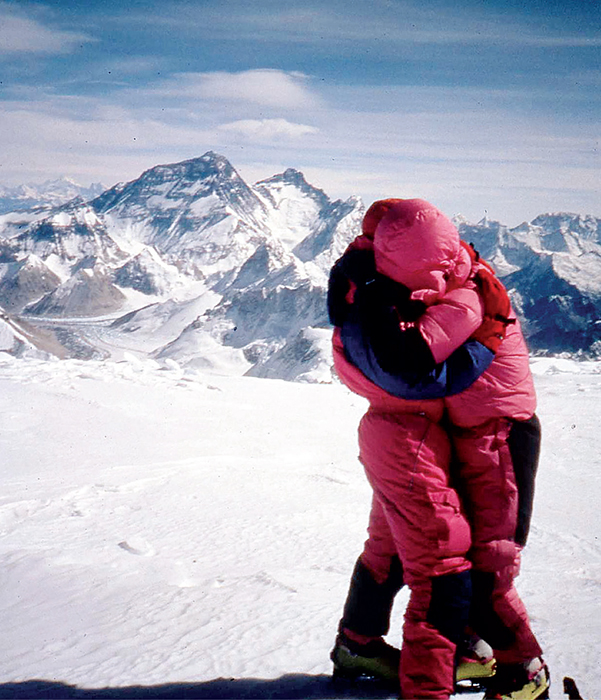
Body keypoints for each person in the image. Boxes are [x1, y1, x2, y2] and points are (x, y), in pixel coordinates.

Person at [328, 198, 549, 700]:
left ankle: (370, 645)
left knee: (433, 554)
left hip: (490, 435)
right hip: (435, 433)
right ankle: (519, 671)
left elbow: (412, 369)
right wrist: (488, 336)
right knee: (451, 563)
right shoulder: (444, 291)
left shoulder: (374, 281)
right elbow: (414, 373)